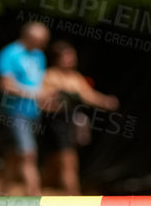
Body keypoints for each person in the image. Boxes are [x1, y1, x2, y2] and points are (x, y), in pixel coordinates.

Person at [40, 40, 119, 195]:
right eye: (67, 56)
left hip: (67, 123)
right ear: (57, 58)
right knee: (69, 164)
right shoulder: (51, 75)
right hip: (55, 124)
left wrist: (106, 101)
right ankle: (74, 200)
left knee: (54, 166)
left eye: (72, 56)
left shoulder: (75, 78)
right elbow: (43, 102)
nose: (71, 59)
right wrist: (56, 102)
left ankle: (35, 197)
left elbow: (90, 96)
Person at [0, 21, 49, 196]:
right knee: (28, 154)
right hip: (15, 112)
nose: (43, 44)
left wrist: (47, 97)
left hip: (34, 113)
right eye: (40, 40)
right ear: (28, 37)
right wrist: (33, 94)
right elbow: (5, 86)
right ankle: (35, 198)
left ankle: (1, 196)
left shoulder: (39, 56)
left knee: (14, 155)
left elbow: (38, 84)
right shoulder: (10, 53)